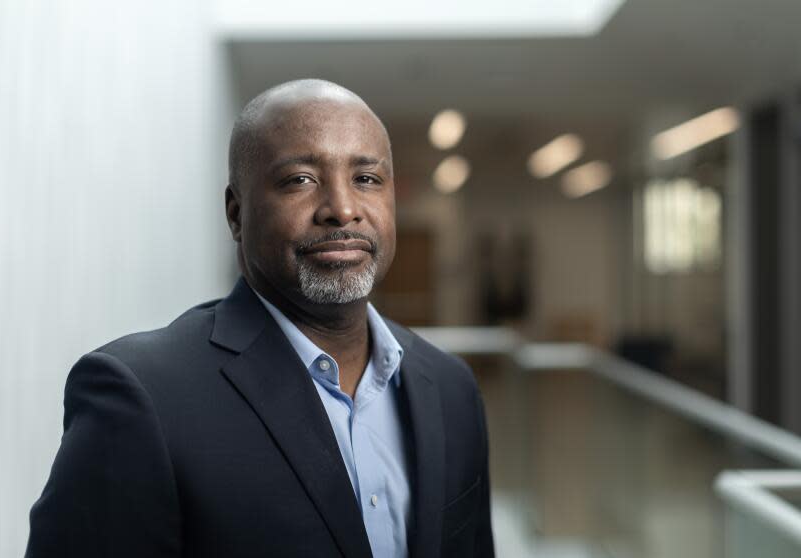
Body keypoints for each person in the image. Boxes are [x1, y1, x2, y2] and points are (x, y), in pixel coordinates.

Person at [26, 79, 494, 558]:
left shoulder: (450, 387)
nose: (343, 209)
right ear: (236, 213)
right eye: (301, 180)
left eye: (366, 179)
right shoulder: (140, 397)